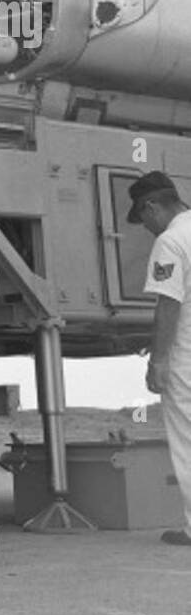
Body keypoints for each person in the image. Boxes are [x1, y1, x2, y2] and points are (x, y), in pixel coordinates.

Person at [129, 170, 191, 546]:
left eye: (142, 218)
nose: (146, 228)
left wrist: (159, 362)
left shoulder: (171, 241)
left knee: (186, 438)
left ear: (152, 207)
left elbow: (168, 305)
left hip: (187, 356)